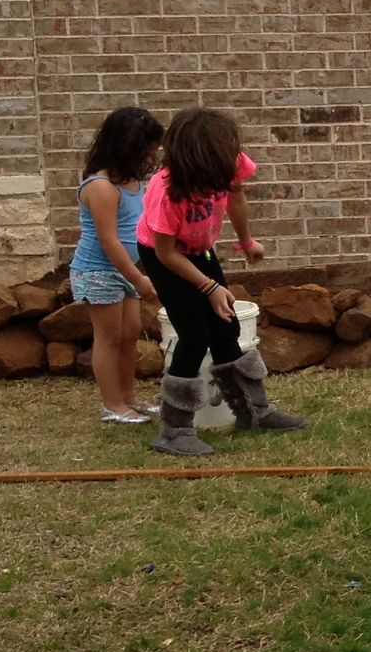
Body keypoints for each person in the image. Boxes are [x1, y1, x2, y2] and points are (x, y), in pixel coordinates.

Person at [136, 107, 307, 456]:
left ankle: (254, 412)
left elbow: (236, 196)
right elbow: (166, 254)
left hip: (200, 250)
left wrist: (246, 242)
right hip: (165, 257)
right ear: (196, 161)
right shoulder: (165, 192)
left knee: (226, 327)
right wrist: (210, 287)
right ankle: (174, 430)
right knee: (194, 336)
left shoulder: (226, 161)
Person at [70, 107, 165, 425]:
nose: (151, 159)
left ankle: (129, 396)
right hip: (98, 271)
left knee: (129, 334)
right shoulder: (101, 187)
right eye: (147, 152)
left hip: (126, 270)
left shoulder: (133, 184)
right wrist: (138, 278)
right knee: (109, 336)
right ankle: (112, 404)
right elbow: (109, 241)